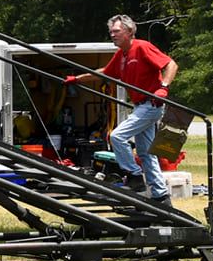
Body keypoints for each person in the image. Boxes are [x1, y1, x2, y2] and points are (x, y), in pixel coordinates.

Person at [65, 14, 178, 205]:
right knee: (146, 153)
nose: (112, 34)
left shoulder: (141, 47)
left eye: (116, 31)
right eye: (111, 32)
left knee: (117, 136)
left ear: (129, 31)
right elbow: (104, 73)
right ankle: (161, 196)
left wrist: (163, 87)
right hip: (141, 106)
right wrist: (77, 79)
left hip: (151, 104)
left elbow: (171, 64)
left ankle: (134, 176)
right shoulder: (122, 55)